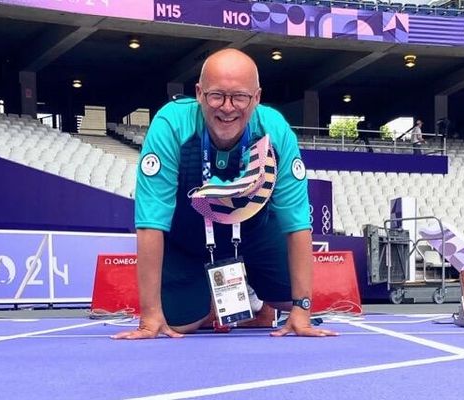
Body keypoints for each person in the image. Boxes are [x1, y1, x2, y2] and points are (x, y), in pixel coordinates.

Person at [113, 49, 337, 339]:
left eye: (240, 97)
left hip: (254, 232)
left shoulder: (275, 131)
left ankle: (257, 297)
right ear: (198, 93)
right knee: (179, 324)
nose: (228, 107)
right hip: (188, 240)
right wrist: (150, 315)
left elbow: (297, 223)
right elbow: (150, 223)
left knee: (287, 300)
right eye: (216, 95)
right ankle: (208, 298)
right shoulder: (170, 125)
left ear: (256, 97)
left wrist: (302, 309)